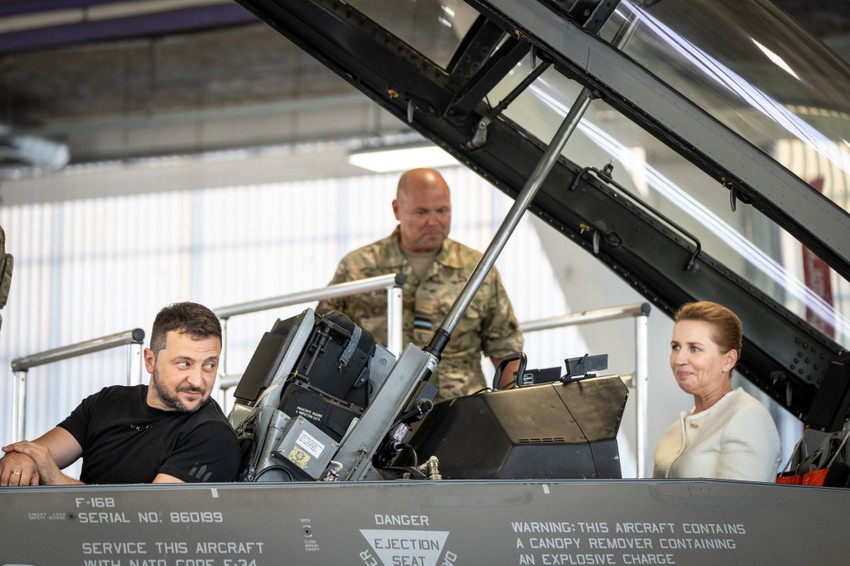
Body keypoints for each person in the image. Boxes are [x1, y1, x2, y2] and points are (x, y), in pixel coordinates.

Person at [317, 167, 524, 401]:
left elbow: (506, 349)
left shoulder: (478, 270)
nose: (433, 221)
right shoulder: (357, 268)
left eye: (442, 210)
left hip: (460, 409)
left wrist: (514, 405)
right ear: (397, 209)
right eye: (422, 212)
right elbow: (325, 341)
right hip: (378, 408)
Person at [0, 301, 241, 486]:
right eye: (184, 364)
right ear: (150, 360)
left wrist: (57, 480)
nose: (198, 381)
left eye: (209, 365)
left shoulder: (212, 435)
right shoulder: (107, 402)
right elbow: (37, 453)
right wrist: (19, 461)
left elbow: (149, 518)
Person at [653, 301, 781, 482]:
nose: (679, 359)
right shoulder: (676, 429)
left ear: (728, 360)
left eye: (694, 348)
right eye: (676, 347)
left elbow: (740, 506)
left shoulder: (748, 417)